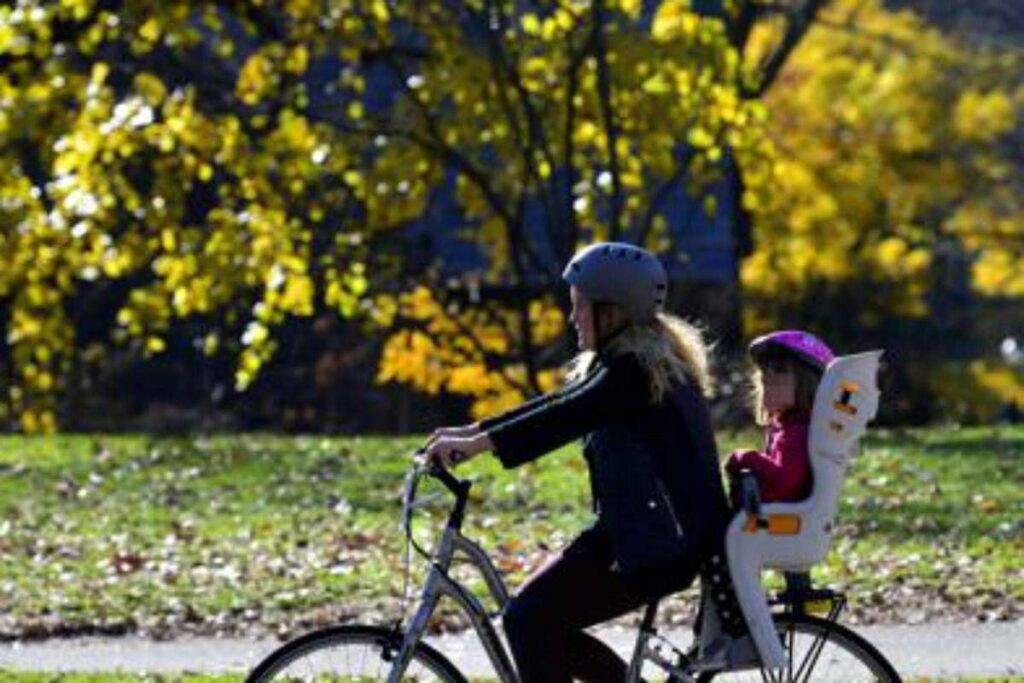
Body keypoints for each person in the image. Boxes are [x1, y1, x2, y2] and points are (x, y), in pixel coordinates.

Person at [423, 242, 737, 683]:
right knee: (535, 620)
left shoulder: (636, 371)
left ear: (612, 311)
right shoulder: (630, 361)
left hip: (658, 544)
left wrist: (478, 445)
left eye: (579, 306)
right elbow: (563, 402)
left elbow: (568, 416)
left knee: (529, 620)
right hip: (635, 531)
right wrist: (472, 434)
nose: (572, 317)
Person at [724, 330, 835, 506]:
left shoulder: (799, 433)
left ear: (806, 385)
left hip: (780, 526)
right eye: (764, 381)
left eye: (777, 380)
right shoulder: (788, 427)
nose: (767, 386)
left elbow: (782, 483)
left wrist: (744, 457)